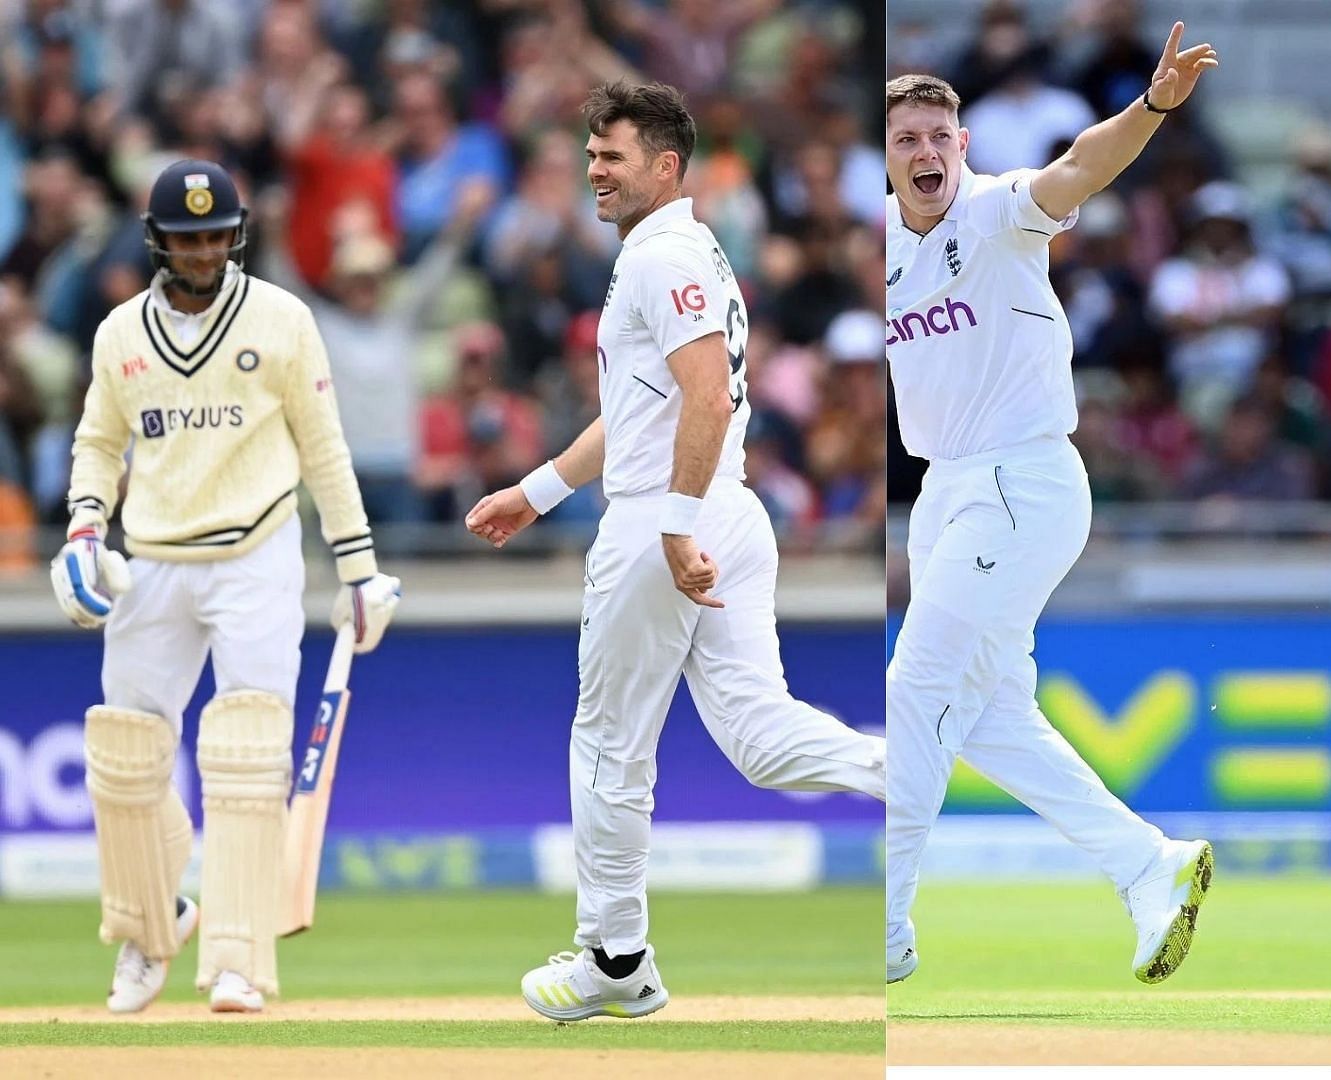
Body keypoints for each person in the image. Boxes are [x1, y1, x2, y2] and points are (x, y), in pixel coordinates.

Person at [461, 81, 885, 1022]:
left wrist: (675, 522)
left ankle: (613, 957)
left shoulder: (664, 255)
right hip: (715, 509)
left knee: (609, 742)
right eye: (590, 153)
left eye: (611, 156)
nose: (593, 171)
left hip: (673, 516)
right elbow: (642, 409)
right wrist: (537, 494)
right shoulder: (676, 254)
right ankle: (911, 772)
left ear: (666, 165)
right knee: (762, 740)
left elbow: (709, 396)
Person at [883, 23, 1218, 988]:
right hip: (946, 489)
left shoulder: (994, 213)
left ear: (963, 148)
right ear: (890, 158)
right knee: (989, 719)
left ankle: (888, 931)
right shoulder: (885, 246)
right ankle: (1147, 865)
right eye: (908, 138)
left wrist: (1150, 107)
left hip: (1023, 479)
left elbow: (1079, 166)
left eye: (941, 136)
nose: (928, 151)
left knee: (915, 686)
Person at [54, 159, 401, 1014]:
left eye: (215, 235)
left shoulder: (282, 320)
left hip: (257, 552)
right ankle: (150, 924)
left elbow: (323, 447)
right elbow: (99, 444)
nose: (203, 251)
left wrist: (358, 568)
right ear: (158, 242)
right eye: (187, 238)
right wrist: (83, 529)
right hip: (155, 558)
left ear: (236, 234)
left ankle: (241, 958)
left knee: (248, 754)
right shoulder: (119, 334)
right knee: (126, 757)